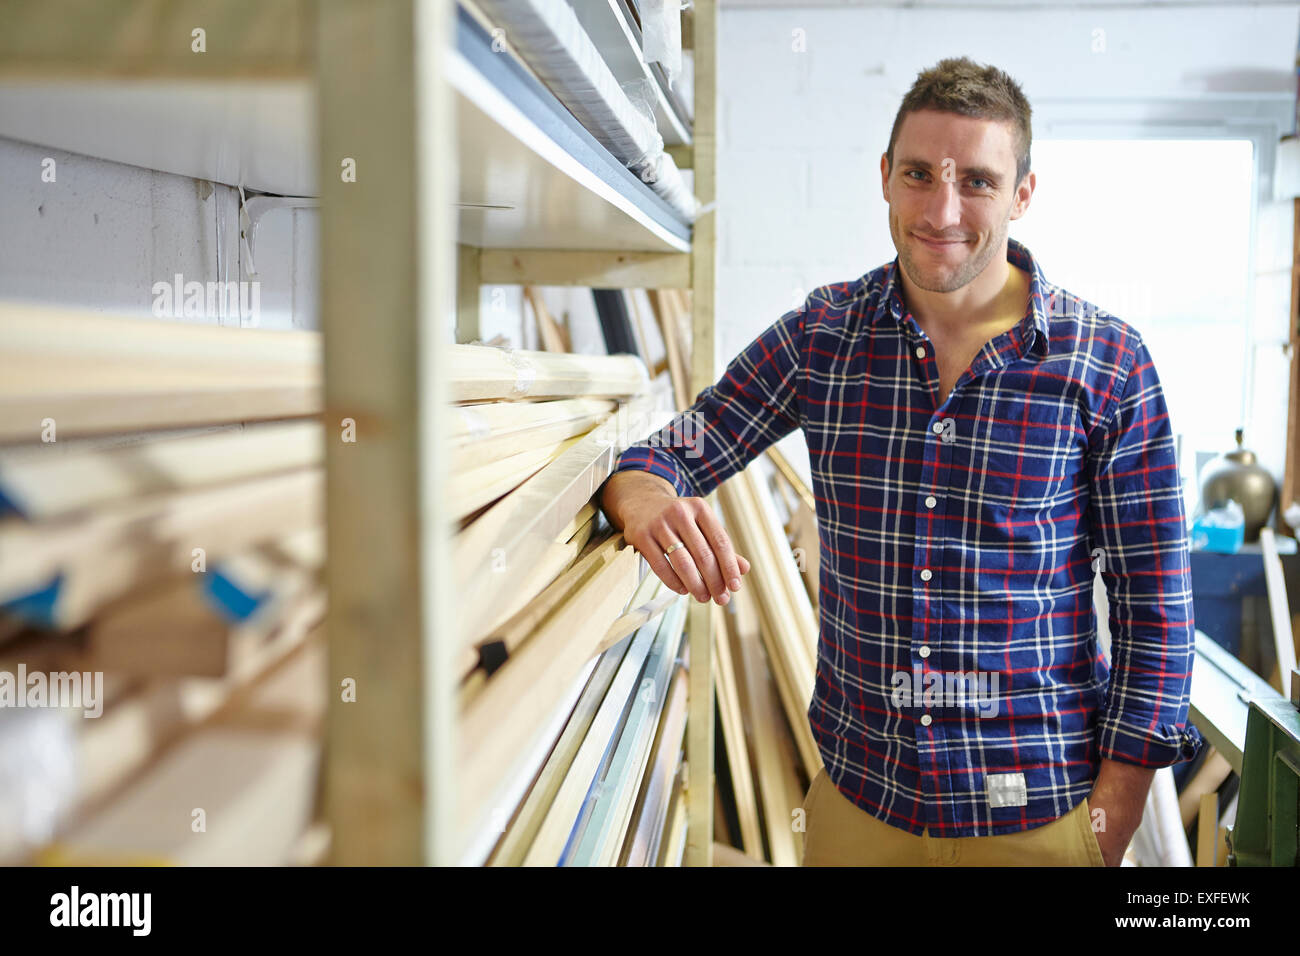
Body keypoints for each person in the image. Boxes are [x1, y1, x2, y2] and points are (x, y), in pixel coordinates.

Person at [597, 56, 1202, 866]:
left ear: (1023, 194)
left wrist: (1111, 818)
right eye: (919, 174)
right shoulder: (824, 338)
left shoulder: (1107, 364)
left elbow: (1157, 605)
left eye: (978, 181)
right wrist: (638, 498)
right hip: (859, 810)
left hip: (1037, 817)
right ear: (885, 177)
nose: (942, 209)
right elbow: (671, 453)